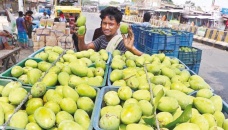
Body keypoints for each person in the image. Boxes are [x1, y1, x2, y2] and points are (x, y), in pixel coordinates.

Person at [76, 6, 142, 55]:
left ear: (118, 26)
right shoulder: (102, 39)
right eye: (104, 23)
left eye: (111, 24)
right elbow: (84, 50)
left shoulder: (122, 42)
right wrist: (81, 38)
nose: (106, 27)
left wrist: (132, 49)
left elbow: (146, 60)